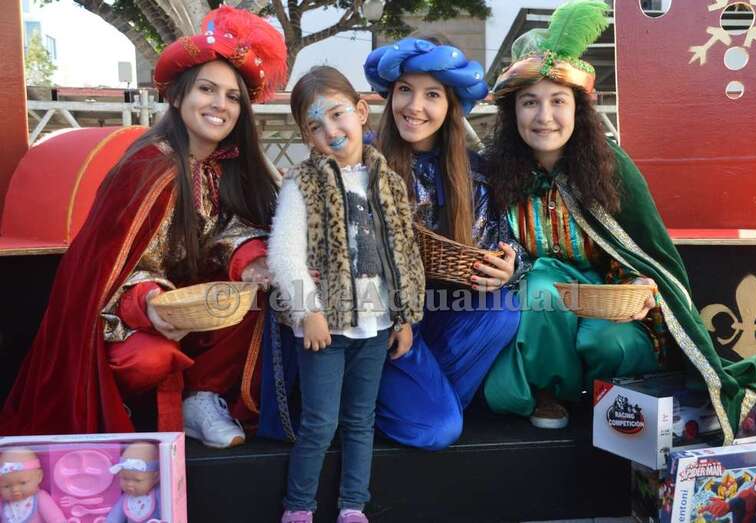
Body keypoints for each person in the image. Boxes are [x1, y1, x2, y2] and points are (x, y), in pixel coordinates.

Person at [481, 0, 756, 440]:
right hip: (541, 295)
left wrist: (644, 286)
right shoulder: (498, 174)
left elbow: (652, 255)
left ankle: (612, 399)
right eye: (530, 102)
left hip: (613, 294)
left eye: (557, 101)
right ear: (513, 114)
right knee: (543, 287)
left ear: (578, 109)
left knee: (606, 343)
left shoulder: (611, 168)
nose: (544, 116)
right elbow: (494, 245)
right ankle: (550, 391)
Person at [0, 6, 288, 449]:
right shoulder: (149, 166)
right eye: (208, 90)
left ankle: (203, 397)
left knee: (257, 304)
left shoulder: (224, 168)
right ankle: (142, 429)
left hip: (195, 304)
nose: (221, 105)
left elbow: (227, 228)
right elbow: (113, 266)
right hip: (128, 315)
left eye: (233, 97)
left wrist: (250, 262)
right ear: (177, 97)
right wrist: (150, 304)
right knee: (147, 360)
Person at [268, 66, 424, 523]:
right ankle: (299, 507)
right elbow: (285, 254)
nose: (331, 131)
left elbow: (404, 253)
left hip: (376, 326)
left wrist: (405, 317)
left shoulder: (388, 182)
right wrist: (308, 310)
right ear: (305, 134)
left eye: (337, 115)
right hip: (325, 327)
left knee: (360, 420)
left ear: (360, 111)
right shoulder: (304, 184)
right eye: (315, 126)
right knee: (319, 423)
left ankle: (353, 506)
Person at [361, 33, 527, 449]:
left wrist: (510, 265)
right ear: (389, 95)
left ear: (450, 105)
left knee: (503, 308)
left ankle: (426, 397)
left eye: (431, 94)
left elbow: (505, 242)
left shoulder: (474, 172)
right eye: (405, 90)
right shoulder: (360, 165)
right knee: (437, 430)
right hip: (379, 322)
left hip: (441, 318)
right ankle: (399, 406)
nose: (414, 107)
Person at [0, 448, 65, 523]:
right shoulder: (3, 502)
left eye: (23, 483)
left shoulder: (40, 498)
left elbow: (56, 519)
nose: (15, 489)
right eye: (6, 486)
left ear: (39, 477)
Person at [107, 442, 161, 523]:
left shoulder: (159, 494)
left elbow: (168, 511)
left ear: (156, 477)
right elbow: (114, 517)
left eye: (137, 480)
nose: (129, 484)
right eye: (124, 478)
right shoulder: (126, 499)